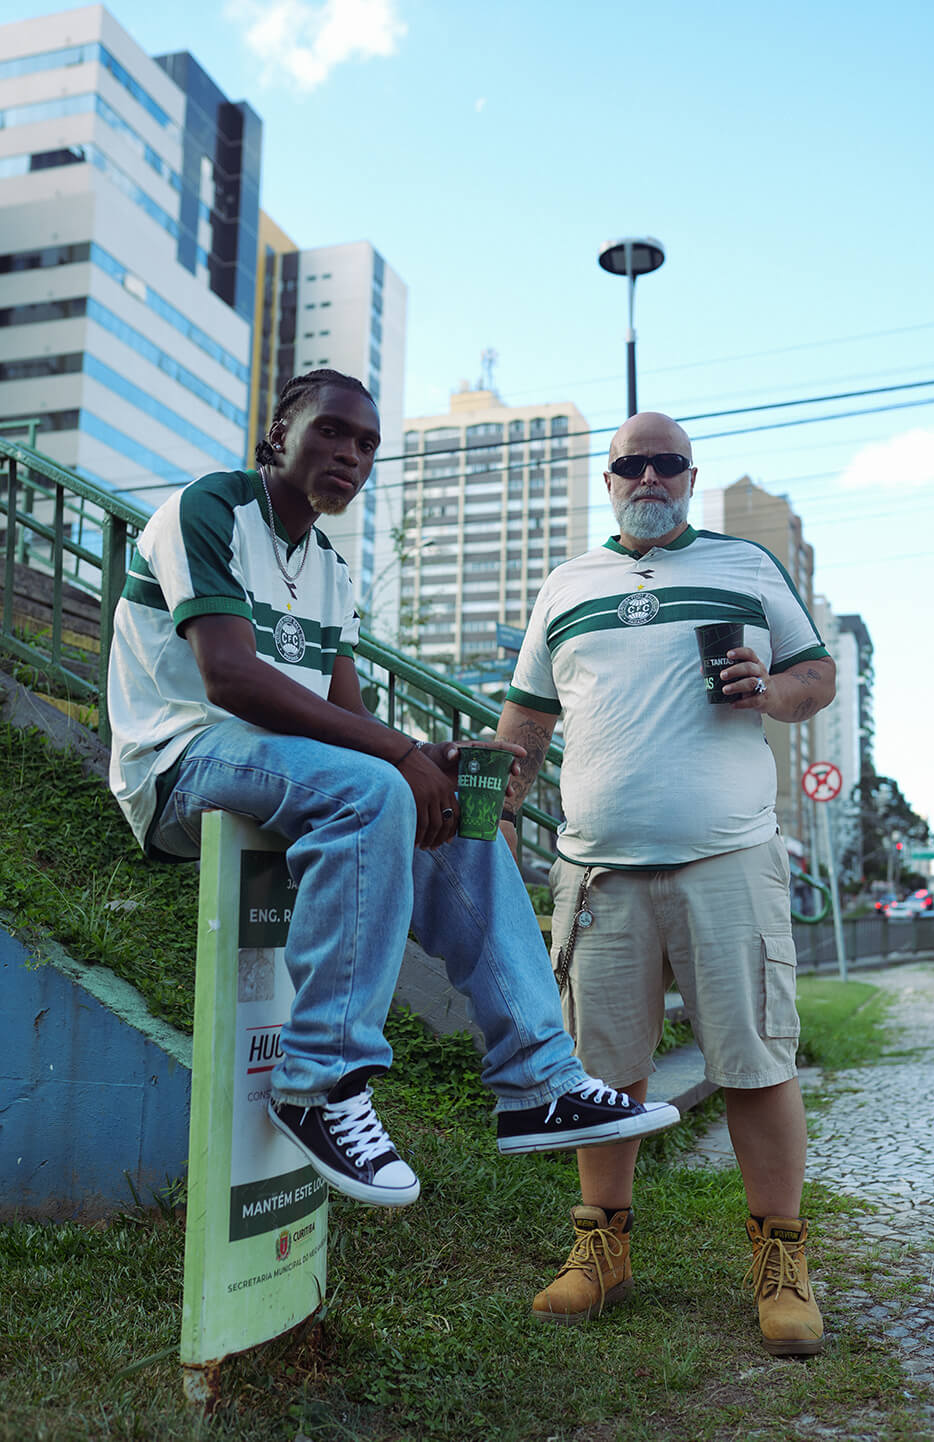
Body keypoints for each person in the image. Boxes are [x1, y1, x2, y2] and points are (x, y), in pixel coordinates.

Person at [107, 369, 681, 1211]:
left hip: (279, 767)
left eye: (367, 444)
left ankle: (538, 1082)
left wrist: (433, 764)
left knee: (457, 818)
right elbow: (228, 677)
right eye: (331, 432)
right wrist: (399, 755)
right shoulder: (208, 508)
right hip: (178, 759)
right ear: (279, 434)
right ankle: (320, 1084)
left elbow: (345, 716)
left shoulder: (330, 568)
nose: (350, 454)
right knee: (378, 790)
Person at [495, 411, 836, 1354]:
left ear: (689, 475)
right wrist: (496, 795)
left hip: (726, 857)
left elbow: (817, 675)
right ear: (606, 479)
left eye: (667, 465)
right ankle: (600, 1248)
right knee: (601, 1070)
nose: (649, 478)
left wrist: (768, 690)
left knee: (755, 1063)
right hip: (596, 865)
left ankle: (780, 1261)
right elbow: (526, 717)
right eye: (630, 465)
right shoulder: (567, 584)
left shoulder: (743, 567)